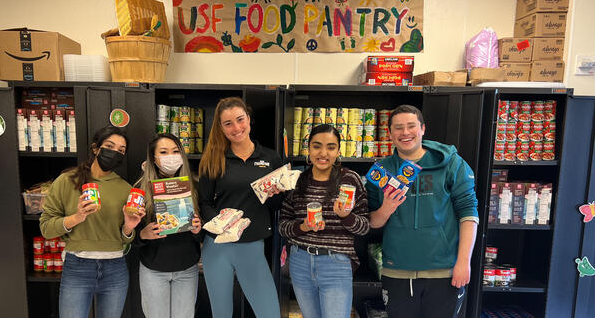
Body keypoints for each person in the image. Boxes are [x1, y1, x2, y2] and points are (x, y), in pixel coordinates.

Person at [366, 104, 479, 318]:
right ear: (390, 133)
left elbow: (468, 213)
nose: (405, 132)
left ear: (423, 129)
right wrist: (386, 208)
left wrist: (464, 262)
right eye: (398, 128)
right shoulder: (381, 171)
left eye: (411, 126)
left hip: (444, 272)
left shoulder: (452, 164)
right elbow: (372, 221)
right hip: (396, 271)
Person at [40, 126, 145, 318]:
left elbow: (125, 240)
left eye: (121, 151)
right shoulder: (67, 181)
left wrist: (128, 228)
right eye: (109, 146)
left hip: (115, 267)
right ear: (96, 148)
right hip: (77, 267)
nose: (114, 153)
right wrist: (77, 217)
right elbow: (46, 228)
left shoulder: (126, 189)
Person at [198, 97, 282, 318]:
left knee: (269, 313)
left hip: (252, 246)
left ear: (248, 119)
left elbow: (277, 206)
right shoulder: (213, 159)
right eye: (228, 123)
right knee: (221, 313)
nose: (236, 128)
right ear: (221, 127)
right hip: (217, 247)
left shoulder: (270, 158)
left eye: (240, 120)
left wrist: (274, 196)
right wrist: (221, 224)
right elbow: (204, 203)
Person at [279, 124, 370, 318]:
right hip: (299, 262)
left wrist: (346, 216)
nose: (323, 153)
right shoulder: (297, 181)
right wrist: (303, 226)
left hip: (336, 264)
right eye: (316, 146)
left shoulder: (350, 179)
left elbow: (364, 227)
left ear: (338, 151)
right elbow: (283, 226)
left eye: (330, 147)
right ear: (308, 149)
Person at [132, 133, 203, 318]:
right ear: (153, 158)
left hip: (187, 268)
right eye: (163, 152)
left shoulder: (194, 187)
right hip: (154, 271)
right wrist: (142, 235)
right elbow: (127, 234)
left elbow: (204, 232)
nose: (170, 156)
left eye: (175, 151)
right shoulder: (140, 189)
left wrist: (197, 229)